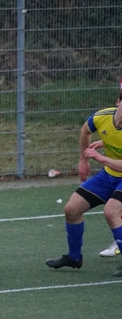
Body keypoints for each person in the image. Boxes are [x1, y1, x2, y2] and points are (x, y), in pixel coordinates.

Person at [44, 92, 122, 270]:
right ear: (118, 101)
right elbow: (85, 130)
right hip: (108, 175)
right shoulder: (102, 117)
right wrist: (83, 160)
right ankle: (74, 258)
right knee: (71, 209)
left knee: (111, 212)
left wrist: (101, 158)